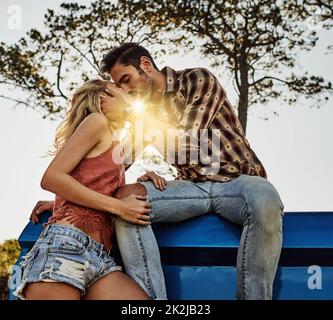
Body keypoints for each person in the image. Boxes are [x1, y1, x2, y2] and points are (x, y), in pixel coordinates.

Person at [32, 43, 284, 300]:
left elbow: (188, 139)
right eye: (119, 85)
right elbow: (115, 163)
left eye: (126, 80)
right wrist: (67, 201)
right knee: (128, 201)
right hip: (192, 187)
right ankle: (153, 299)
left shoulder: (197, 79)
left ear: (145, 65)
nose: (126, 90)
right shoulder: (144, 114)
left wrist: (131, 111)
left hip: (237, 182)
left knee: (264, 198)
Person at [15, 79, 166, 300]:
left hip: (100, 258)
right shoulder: (97, 121)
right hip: (66, 246)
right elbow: (51, 177)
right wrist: (119, 207)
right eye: (118, 87)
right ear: (102, 97)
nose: (125, 91)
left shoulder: (113, 144)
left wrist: (144, 181)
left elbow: (89, 181)